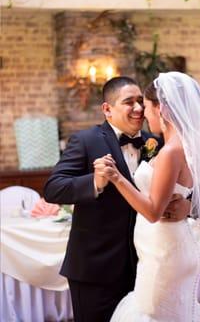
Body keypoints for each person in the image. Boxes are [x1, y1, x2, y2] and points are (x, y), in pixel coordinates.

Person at [97, 72, 200, 322]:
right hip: (166, 246)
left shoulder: (171, 151)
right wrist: (190, 203)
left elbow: (152, 211)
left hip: (165, 250)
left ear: (162, 110)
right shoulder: (186, 146)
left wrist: (117, 178)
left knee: (155, 314)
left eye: (147, 107)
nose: (144, 113)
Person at [44, 76, 190, 322]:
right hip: (96, 268)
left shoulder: (156, 142)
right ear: (107, 109)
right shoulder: (85, 141)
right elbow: (53, 188)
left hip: (146, 265)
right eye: (129, 102)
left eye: (141, 102)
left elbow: (182, 186)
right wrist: (94, 182)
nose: (138, 108)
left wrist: (188, 206)